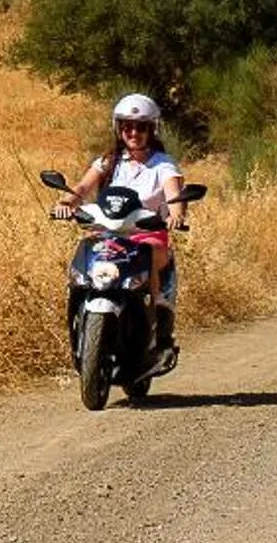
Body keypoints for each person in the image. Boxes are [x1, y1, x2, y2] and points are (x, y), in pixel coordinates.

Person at [56, 91, 190, 366]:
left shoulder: (163, 164)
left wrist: (176, 215)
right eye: (127, 126)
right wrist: (66, 203)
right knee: (83, 258)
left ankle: (156, 326)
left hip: (147, 236)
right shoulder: (108, 161)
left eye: (141, 127)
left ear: (152, 129)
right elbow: (82, 187)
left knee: (150, 256)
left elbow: (174, 195)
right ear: (118, 128)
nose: (134, 133)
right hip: (107, 234)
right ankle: (80, 315)